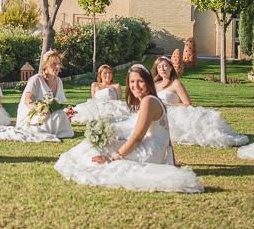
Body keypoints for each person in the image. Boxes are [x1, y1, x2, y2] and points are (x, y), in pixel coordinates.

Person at [55, 64, 203, 193]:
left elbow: (137, 138)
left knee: (94, 155)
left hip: (150, 151)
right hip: (156, 148)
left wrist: (112, 158)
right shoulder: (152, 100)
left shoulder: (148, 102)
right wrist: (170, 161)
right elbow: (167, 137)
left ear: (148, 82)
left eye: (140, 81)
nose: (135, 86)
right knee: (96, 147)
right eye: (132, 82)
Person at [149, 55, 248, 148]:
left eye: (165, 66)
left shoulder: (175, 83)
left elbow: (187, 103)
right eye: (159, 67)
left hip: (175, 112)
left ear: (170, 68)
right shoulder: (155, 84)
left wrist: (170, 105)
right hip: (159, 113)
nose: (162, 69)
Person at [0, 49, 74, 142]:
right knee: (57, 116)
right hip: (32, 113)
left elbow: (58, 102)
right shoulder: (36, 79)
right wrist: (39, 109)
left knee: (61, 114)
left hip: (49, 112)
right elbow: (28, 100)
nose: (57, 66)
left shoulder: (59, 81)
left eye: (58, 63)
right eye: (53, 64)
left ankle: (55, 130)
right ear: (45, 66)